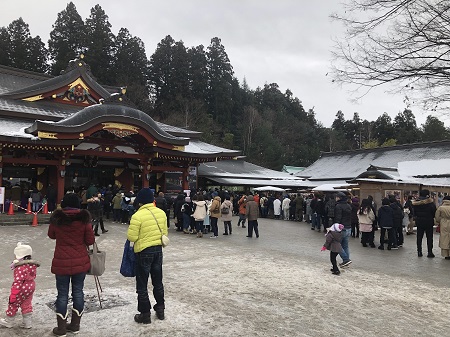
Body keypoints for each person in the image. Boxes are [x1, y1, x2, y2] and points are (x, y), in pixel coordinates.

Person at [48, 193, 95, 336]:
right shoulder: (84, 221)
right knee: (78, 293)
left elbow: (51, 235)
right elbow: (90, 240)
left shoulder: (57, 220)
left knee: (62, 294)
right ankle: (75, 325)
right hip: (80, 262)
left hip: (61, 262)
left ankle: (61, 329)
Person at [127, 188, 167, 324]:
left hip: (143, 251)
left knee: (142, 284)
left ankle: (145, 314)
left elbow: (132, 236)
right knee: (157, 281)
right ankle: (160, 308)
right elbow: (165, 232)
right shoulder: (161, 213)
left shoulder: (137, 215)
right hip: (158, 251)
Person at [0, 242, 40, 329]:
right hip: (31, 286)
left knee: (13, 303)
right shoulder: (32, 265)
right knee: (26, 303)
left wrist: (13, 294)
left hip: (21, 287)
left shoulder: (20, 268)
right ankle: (27, 323)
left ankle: (9, 322)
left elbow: (18, 281)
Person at [412, 189, 437, 258]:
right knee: (429, 237)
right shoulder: (430, 203)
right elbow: (434, 212)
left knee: (419, 237)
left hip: (419, 221)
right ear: (427, 195)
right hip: (429, 221)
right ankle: (429, 252)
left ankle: (419, 251)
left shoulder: (416, 203)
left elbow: (414, 213)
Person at [334, 192, 352, 267]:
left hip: (341, 228)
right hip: (348, 227)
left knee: (337, 245)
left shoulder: (338, 206)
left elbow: (338, 218)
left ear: (339, 198)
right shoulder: (348, 205)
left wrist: (335, 227)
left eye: (337, 197)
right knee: (345, 246)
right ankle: (346, 260)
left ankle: (345, 259)